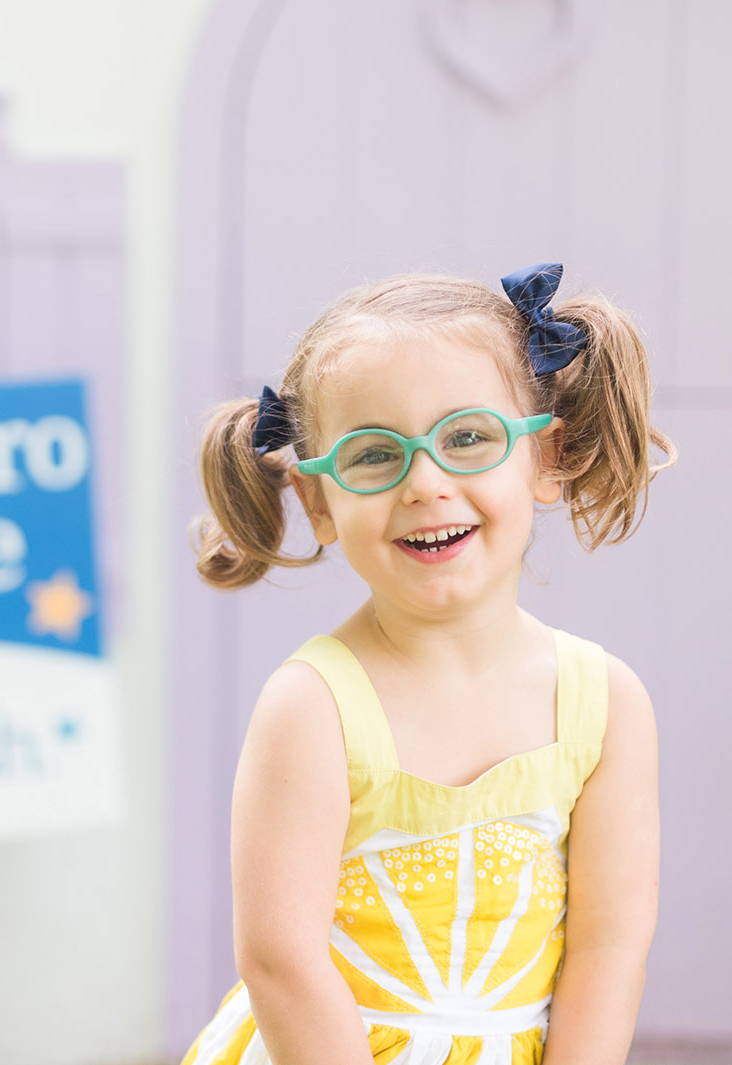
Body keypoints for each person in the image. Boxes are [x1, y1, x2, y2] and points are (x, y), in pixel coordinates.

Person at [181, 264, 673, 1065]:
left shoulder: (605, 703)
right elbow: (281, 958)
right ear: (318, 501)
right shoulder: (313, 707)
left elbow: (610, 944)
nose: (426, 483)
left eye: (468, 438)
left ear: (546, 457)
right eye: (375, 455)